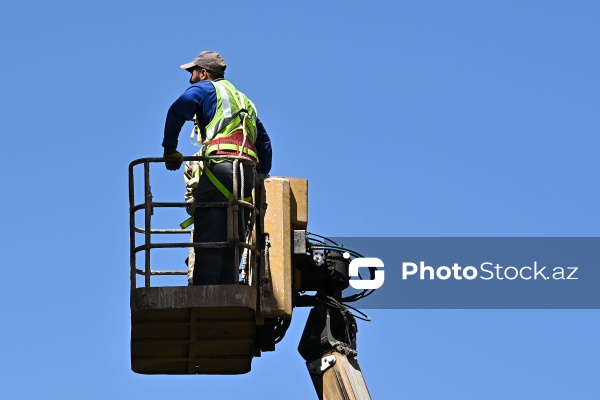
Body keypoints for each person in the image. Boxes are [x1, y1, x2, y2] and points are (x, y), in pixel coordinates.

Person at [162, 50, 272, 285]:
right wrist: (260, 176)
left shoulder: (205, 89)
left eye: (192, 72)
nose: (190, 77)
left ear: (204, 73)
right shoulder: (244, 101)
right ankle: (229, 286)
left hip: (219, 168)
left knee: (209, 230)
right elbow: (264, 143)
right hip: (246, 174)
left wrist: (169, 149)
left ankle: (205, 290)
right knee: (235, 234)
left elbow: (177, 110)